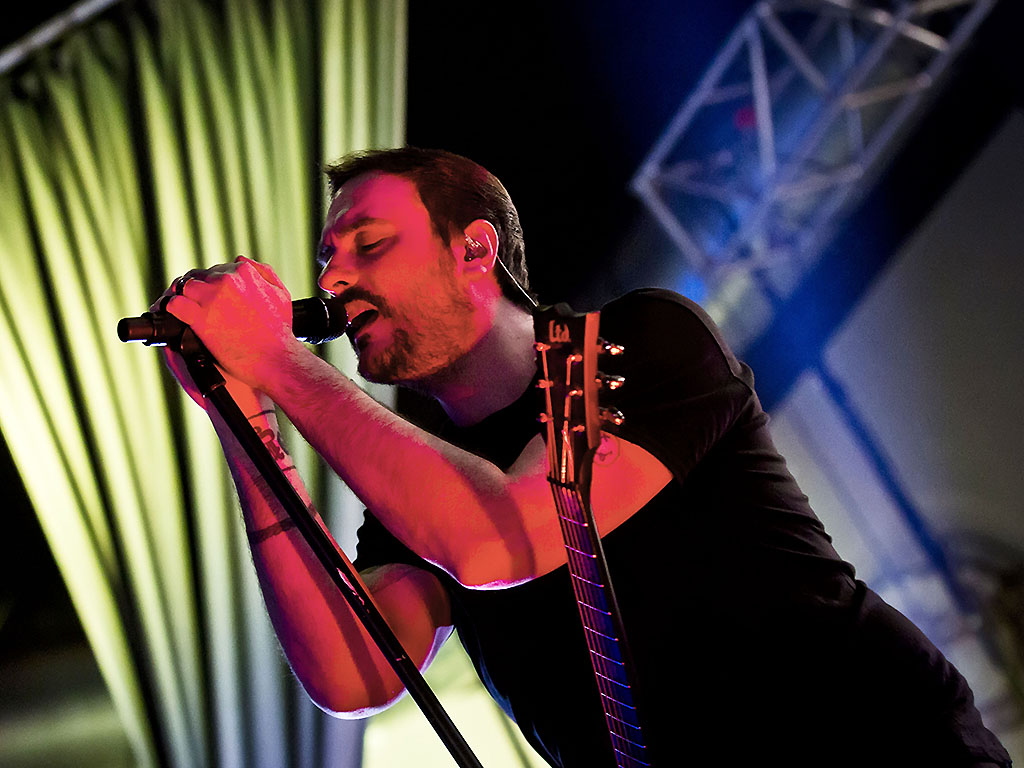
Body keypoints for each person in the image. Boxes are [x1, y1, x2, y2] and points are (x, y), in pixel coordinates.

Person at [155, 147, 1011, 767]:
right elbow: (352, 672)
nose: (334, 278)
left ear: (474, 250)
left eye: (370, 244)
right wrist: (244, 414)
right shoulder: (420, 495)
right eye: (327, 260)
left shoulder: (638, 340)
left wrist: (276, 356)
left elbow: (502, 540)